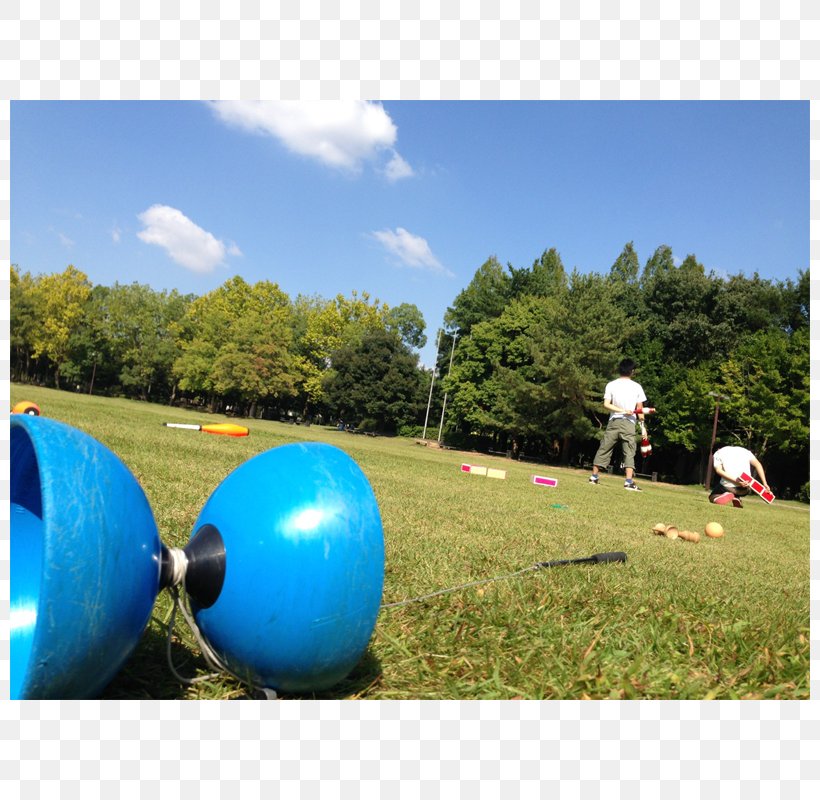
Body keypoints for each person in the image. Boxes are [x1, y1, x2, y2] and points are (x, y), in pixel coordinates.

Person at [588, 358, 647, 491]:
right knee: (629, 451)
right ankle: (628, 482)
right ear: (632, 371)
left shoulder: (611, 384)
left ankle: (594, 477)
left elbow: (606, 404)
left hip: (614, 421)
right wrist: (643, 427)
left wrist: (619, 410)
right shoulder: (637, 387)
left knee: (605, 447)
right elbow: (640, 409)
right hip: (629, 423)